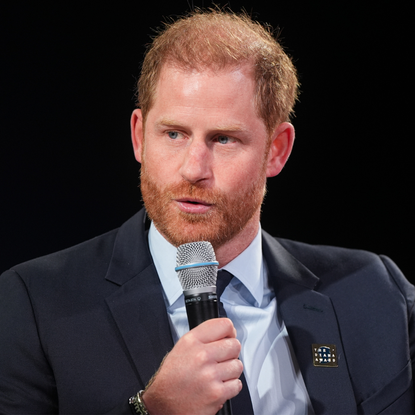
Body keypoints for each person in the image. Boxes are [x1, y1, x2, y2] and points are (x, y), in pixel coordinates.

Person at [0, 8, 414, 415]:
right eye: (174, 133)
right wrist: (153, 411)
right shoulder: (35, 304)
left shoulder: (376, 292)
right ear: (139, 137)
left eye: (224, 139)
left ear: (277, 150)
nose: (193, 169)